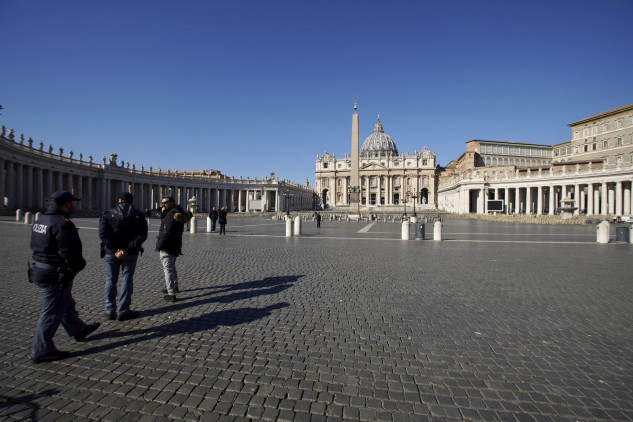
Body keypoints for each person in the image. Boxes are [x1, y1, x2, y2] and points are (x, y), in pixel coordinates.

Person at [29, 191, 100, 363]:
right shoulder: (63, 223)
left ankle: (78, 329)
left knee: (65, 302)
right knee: (52, 312)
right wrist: (78, 266)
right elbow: (69, 251)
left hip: (39, 268)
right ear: (66, 204)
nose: (74, 205)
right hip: (55, 272)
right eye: (72, 203)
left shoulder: (41, 220)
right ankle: (41, 350)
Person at [98, 192, 148, 321]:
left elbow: (103, 234)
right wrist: (127, 249)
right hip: (130, 253)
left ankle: (109, 310)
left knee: (110, 279)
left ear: (119, 200)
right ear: (132, 201)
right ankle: (123, 310)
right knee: (127, 278)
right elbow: (142, 235)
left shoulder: (108, 213)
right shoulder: (138, 215)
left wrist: (115, 249)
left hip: (111, 253)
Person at [156, 196, 190, 302]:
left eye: (165, 203)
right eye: (162, 203)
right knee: (172, 266)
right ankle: (175, 286)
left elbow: (167, 231)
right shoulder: (178, 213)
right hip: (175, 244)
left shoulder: (171, 215)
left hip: (167, 245)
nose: (163, 205)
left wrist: (160, 244)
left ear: (171, 203)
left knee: (168, 269)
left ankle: (171, 293)